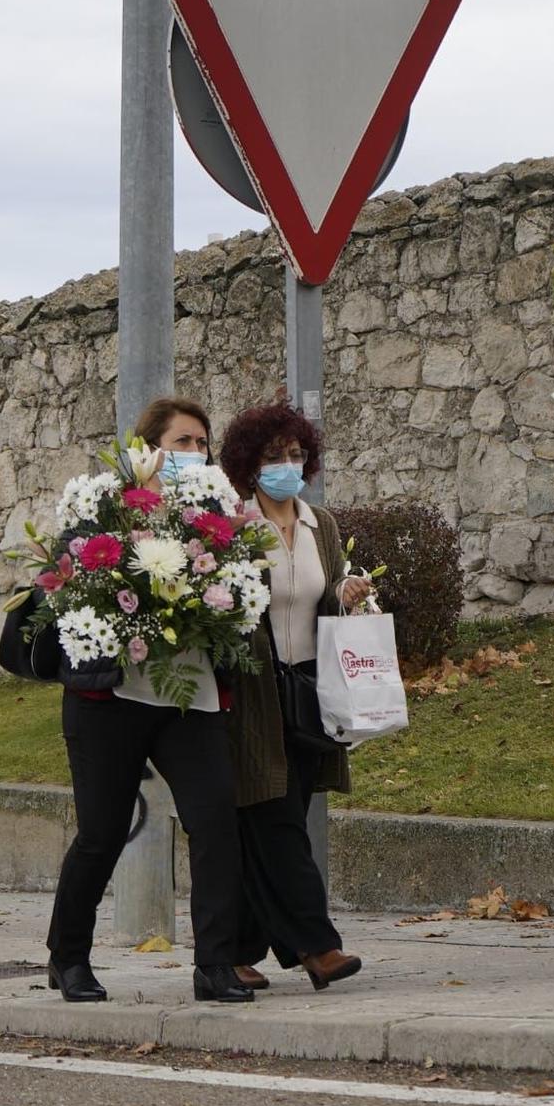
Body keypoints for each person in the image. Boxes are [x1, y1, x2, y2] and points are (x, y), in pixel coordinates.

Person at [41, 396, 253, 1005]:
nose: (194, 453)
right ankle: (68, 956)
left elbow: (238, 590)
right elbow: (69, 579)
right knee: (102, 832)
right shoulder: (102, 506)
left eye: (201, 443)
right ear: (148, 447)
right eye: (182, 441)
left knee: (215, 824)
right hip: (110, 696)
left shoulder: (219, 511)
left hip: (191, 698)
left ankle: (215, 966)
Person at [215, 398, 370, 993]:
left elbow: (321, 603)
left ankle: (235, 949)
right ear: (250, 464)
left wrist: (344, 595)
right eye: (275, 455)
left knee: (278, 820)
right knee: (274, 819)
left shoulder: (320, 524)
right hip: (252, 695)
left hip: (308, 692)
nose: (288, 464)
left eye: (297, 454)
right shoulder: (229, 526)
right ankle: (318, 946)